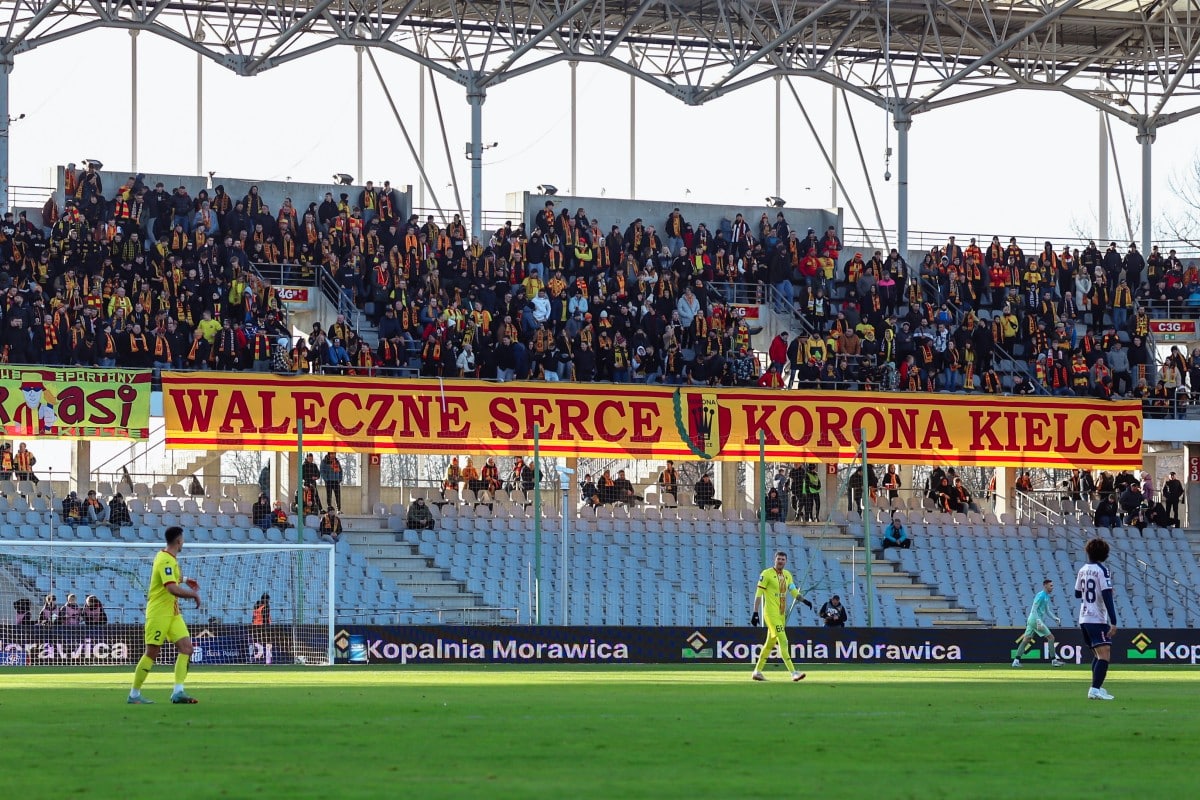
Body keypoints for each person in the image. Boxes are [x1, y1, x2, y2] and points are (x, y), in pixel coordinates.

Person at [128, 526, 201, 704]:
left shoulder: (170, 559)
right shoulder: (165, 560)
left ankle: (178, 692)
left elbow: (172, 579)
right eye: (182, 539)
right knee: (152, 652)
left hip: (173, 613)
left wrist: (185, 580)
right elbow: (170, 587)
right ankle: (134, 694)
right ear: (178, 540)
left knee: (187, 648)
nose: (183, 541)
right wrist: (193, 594)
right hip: (159, 612)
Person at [749, 551, 807, 682]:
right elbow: (758, 593)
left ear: (786, 561)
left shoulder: (787, 575)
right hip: (770, 613)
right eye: (778, 559)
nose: (780, 561)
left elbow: (792, 590)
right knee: (784, 640)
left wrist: (803, 600)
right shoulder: (766, 574)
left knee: (769, 644)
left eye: (783, 559)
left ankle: (757, 671)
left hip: (781, 615)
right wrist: (755, 612)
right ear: (774, 560)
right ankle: (794, 672)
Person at [1076, 538, 1118, 700]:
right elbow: (1107, 597)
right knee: (1104, 655)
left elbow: (1077, 593)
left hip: (1084, 617)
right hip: (1096, 618)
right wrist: (1113, 622)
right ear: (1104, 554)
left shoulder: (1082, 569)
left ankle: (1096, 688)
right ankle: (1094, 689)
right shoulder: (1102, 570)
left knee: (1097, 654)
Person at [1011, 579, 1065, 667]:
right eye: (1051, 585)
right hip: (1035, 620)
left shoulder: (1046, 596)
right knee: (1051, 638)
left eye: (1052, 585)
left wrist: (1055, 618)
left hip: (1032, 620)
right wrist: (1038, 620)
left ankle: (1016, 661)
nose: (1052, 587)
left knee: (1026, 640)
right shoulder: (1040, 595)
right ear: (1045, 586)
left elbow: (1047, 610)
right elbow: (1034, 609)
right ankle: (1054, 661)